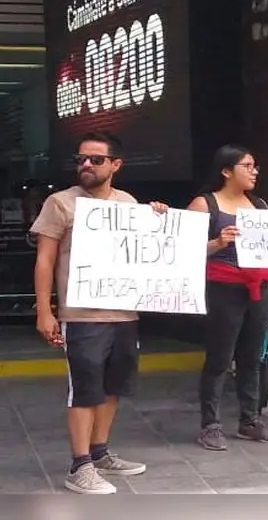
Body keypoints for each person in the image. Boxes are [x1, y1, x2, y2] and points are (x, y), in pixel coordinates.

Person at [31, 132, 169, 495]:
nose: (86, 165)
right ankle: (80, 467)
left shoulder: (128, 203)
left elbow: (147, 252)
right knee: (85, 390)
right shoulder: (60, 203)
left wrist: (158, 221)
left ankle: (100, 452)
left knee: (112, 388)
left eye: (95, 160)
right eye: (81, 159)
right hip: (81, 316)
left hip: (124, 314)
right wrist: (45, 311)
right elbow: (44, 260)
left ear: (116, 165)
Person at [187, 144, 268, 451]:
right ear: (226, 171)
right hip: (222, 287)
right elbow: (184, 250)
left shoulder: (258, 205)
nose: (254, 171)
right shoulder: (205, 204)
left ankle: (250, 420)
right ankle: (210, 424)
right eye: (247, 166)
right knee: (220, 357)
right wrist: (218, 243)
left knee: (252, 357)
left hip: (259, 287)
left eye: (255, 166)